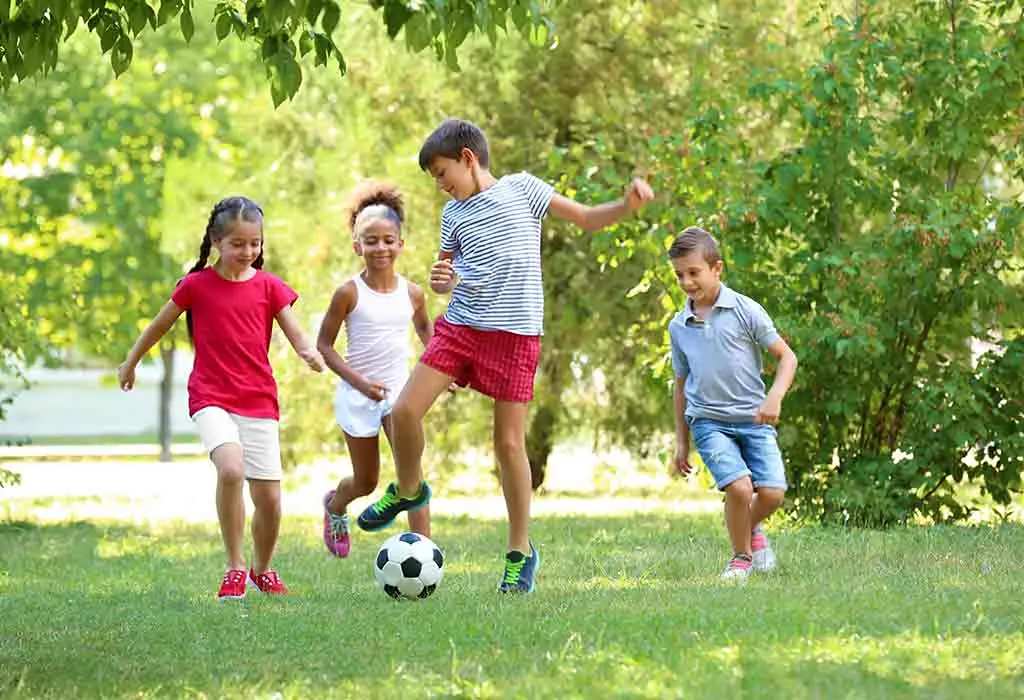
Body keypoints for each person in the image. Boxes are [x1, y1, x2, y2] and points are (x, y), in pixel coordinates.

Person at [357, 117, 654, 593]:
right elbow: (448, 272)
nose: (439, 185)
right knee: (405, 410)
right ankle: (407, 489)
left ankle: (520, 552)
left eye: (441, 172)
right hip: (461, 327)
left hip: (515, 335)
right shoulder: (453, 215)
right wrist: (441, 281)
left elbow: (584, 218)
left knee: (509, 445)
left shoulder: (523, 190)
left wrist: (625, 205)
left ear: (468, 159)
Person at [117, 196, 325, 600]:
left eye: (254, 244)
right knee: (230, 469)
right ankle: (233, 567)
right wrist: (130, 362)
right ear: (216, 241)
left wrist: (308, 352)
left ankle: (261, 569)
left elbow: (295, 332)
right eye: (238, 244)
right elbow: (158, 327)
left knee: (270, 501)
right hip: (211, 395)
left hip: (258, 399)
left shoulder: (269, 286)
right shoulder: (196, 286)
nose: (247, 252)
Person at [667, 226, 798, 582]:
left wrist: (774, 397)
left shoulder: (745, 310)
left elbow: (787, 358)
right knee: (739, 488)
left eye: (694, 272)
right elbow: (680, 386)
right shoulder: (678, 326)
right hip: (708, 421)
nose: (686, 281)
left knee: (772, 493)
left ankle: (750, 531)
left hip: (754, 418)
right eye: (679, 274)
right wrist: (682, 442)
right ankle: (741, 558)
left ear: (717, 268)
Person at [316, 181, 435, 558]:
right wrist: (361, 382)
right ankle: (335, 505)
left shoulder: (413, 293)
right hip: (358, 394)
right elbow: (324, 346)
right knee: (366, 481)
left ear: (401, 243)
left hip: (400, 395)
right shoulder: (348, 293)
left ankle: (425, 549)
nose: (380, 248)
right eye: (371, 241)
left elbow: (426, 332)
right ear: (357, 246)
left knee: (410, 472)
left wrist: (440, 371)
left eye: (388, 240)